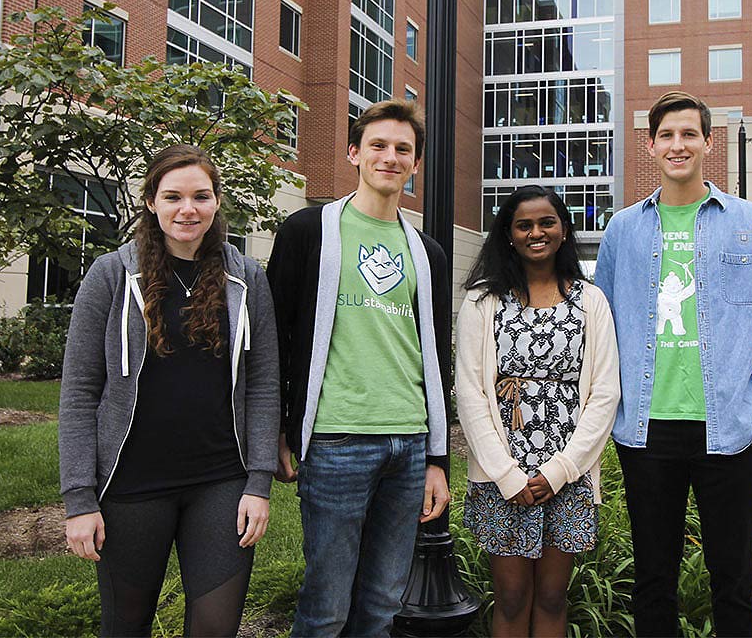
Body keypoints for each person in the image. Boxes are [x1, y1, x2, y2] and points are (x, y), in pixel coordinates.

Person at [595, 91, 752, 638]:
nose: (677, 144)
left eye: (689, 134)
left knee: (735, 579)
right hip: (645, 430)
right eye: (666, 135)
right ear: (652, 146)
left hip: (730, 428)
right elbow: (600, 325)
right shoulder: (623, 231)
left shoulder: (751, 224)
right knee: (652, 579)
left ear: (709, 142)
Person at [59, 144, 280, 637]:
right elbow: (77, 393)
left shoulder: (245, 278)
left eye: (201, 196)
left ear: (217, 202)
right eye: (173, 196)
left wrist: (259, 482)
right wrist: (79, 498)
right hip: (130, 484)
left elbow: (264, 385)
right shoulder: (111, 275)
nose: (188, 209)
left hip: (221, 480)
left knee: (215, 628)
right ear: (151, 203)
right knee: (126, 625)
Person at [266, 99, 452, 637]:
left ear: (415, 163)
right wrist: (281, 428)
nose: (390, 157)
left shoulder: (428, 253)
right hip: (334, 442)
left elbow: (435, 355)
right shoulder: (308, 232)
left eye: (403, 149)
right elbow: (276, 334)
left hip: (408, 445)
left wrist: (437, 458)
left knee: (382, 606)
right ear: (354, 152)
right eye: (378, 145)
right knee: (325, 607)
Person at [455, 185, 620, 638]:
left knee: (551, 596)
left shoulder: (591, 301)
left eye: (546, 222)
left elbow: (605, 393)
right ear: (508, 234)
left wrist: (562, 470)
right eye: (523, 225)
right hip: (501, 473)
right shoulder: (482, 300)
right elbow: (469, 391)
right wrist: (508, 476)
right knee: (510, 598)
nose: (536, 232)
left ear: (564, 229)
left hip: (567, 471)